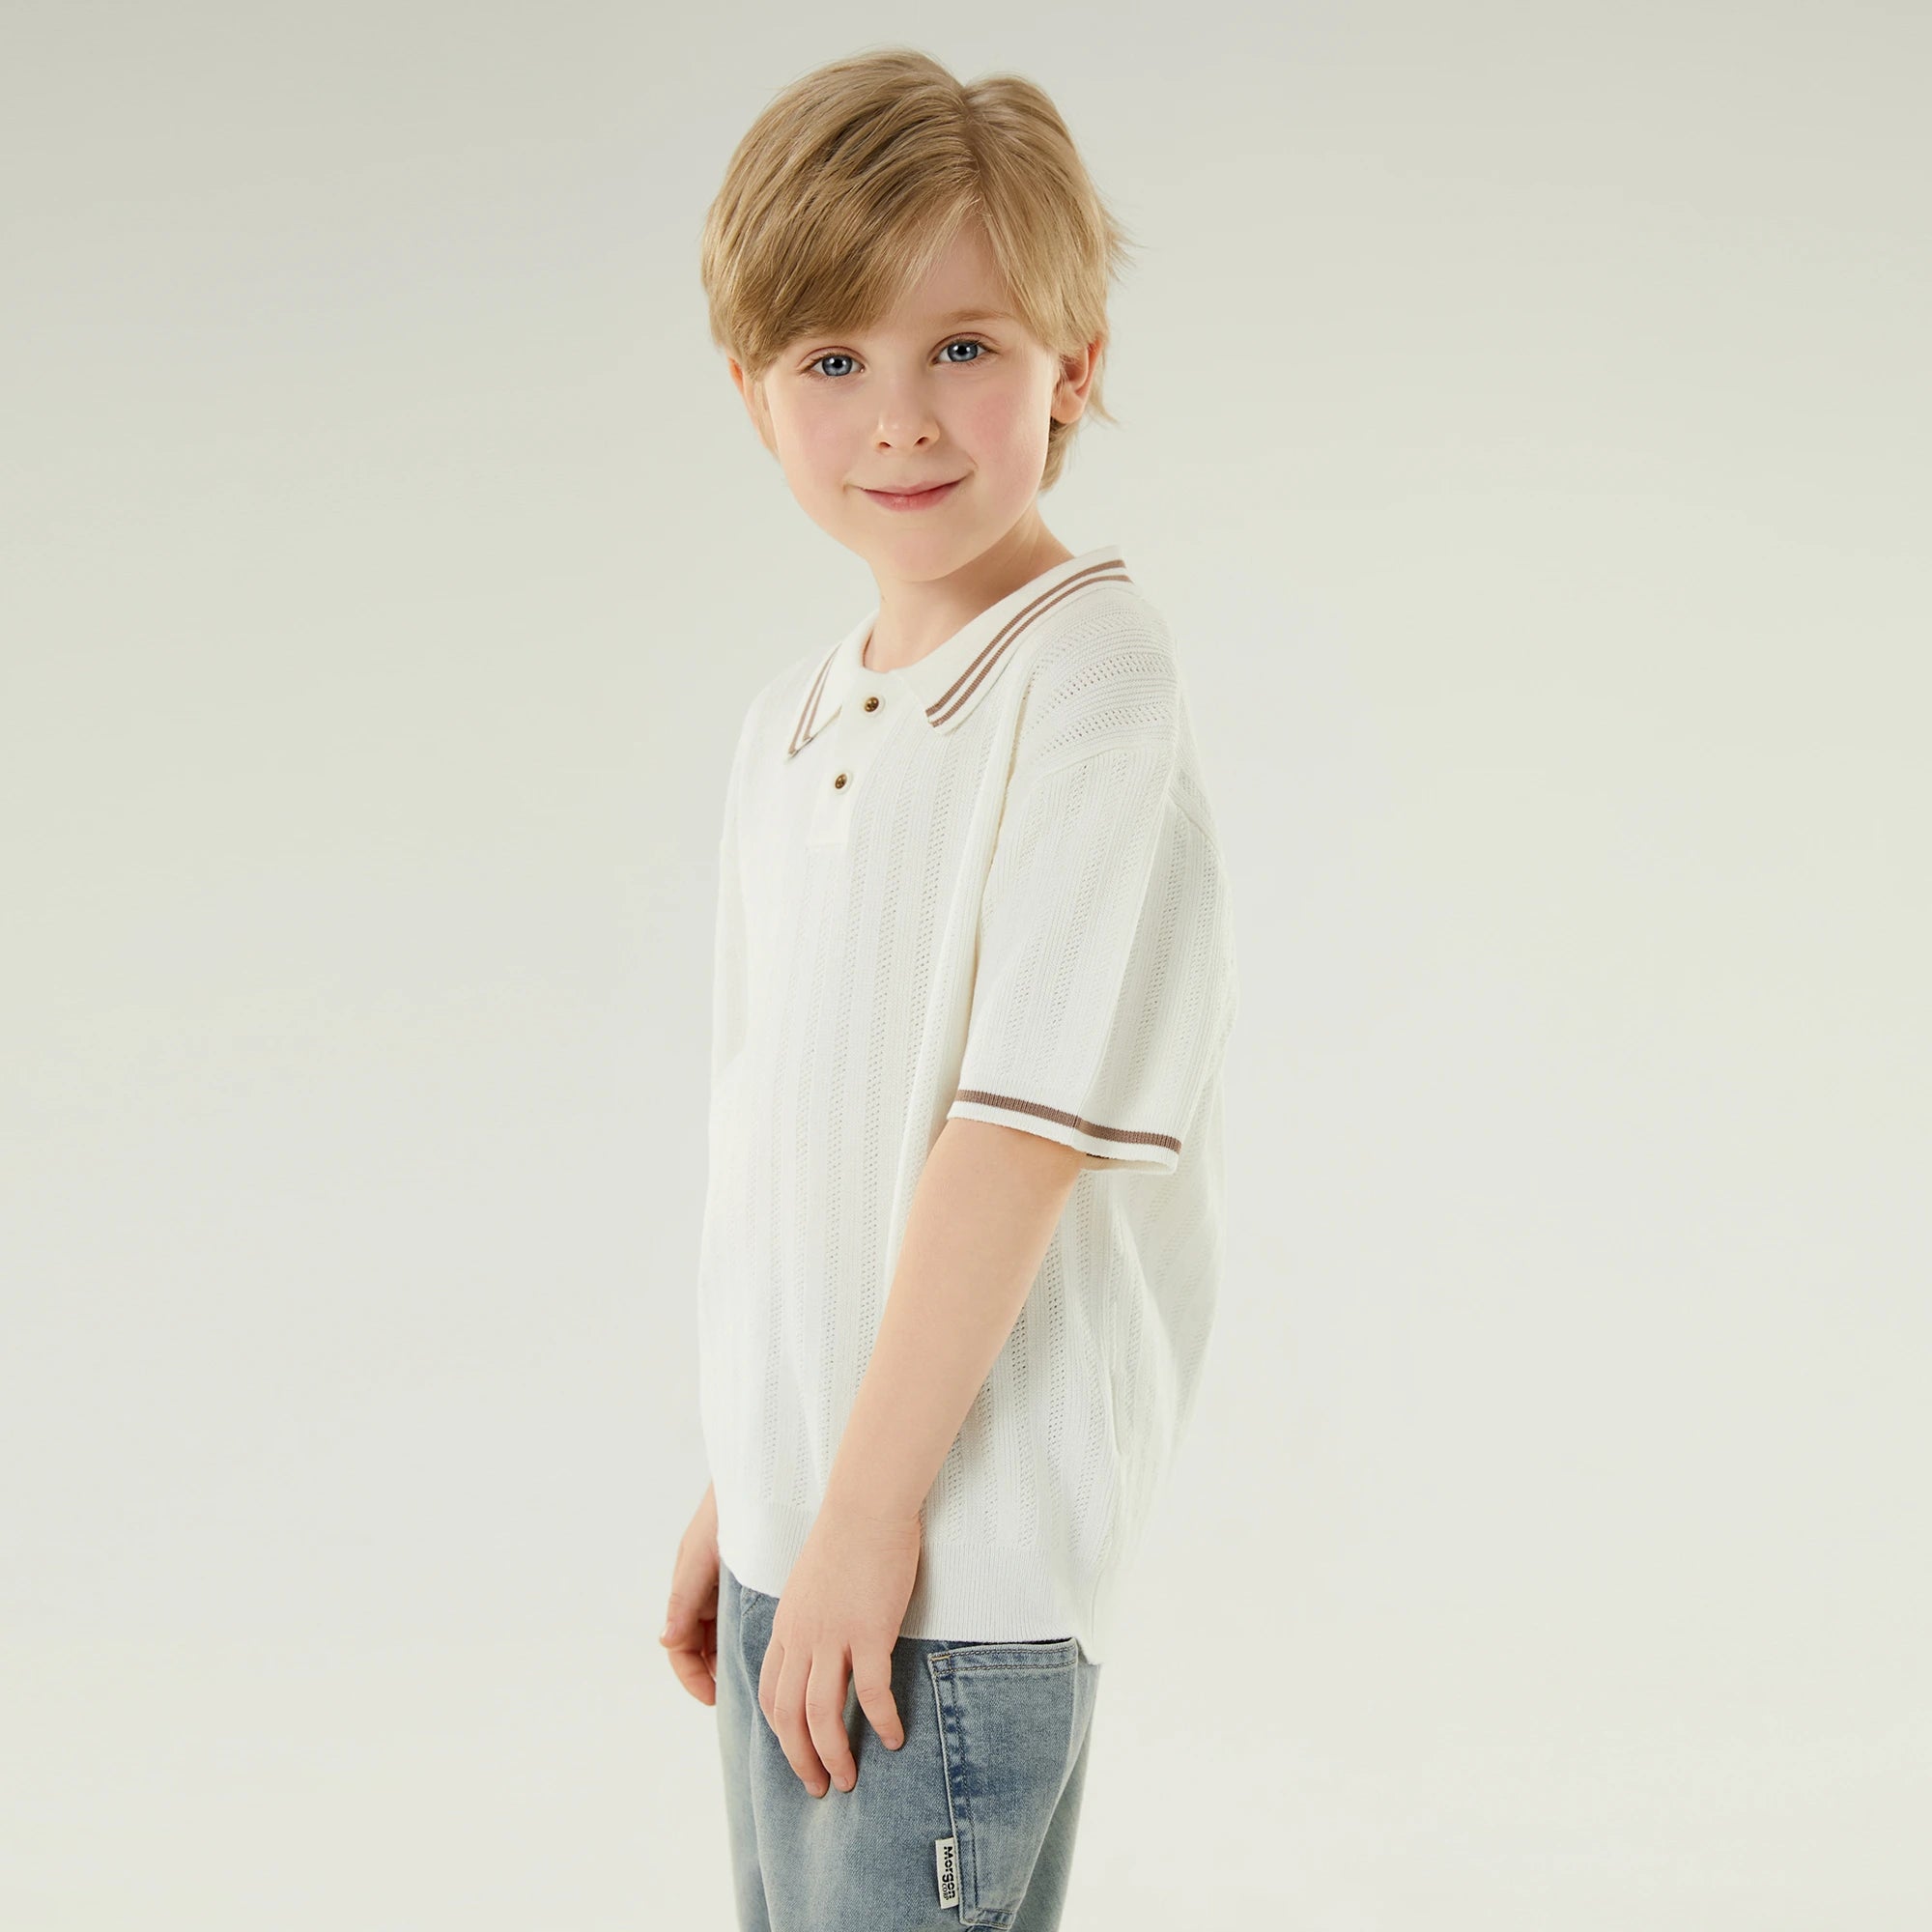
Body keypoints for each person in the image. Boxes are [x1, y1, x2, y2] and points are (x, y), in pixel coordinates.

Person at [659, 44, 1240, 1930]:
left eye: (963, 347)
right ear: (751, 392)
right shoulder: (791, 722)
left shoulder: (1086, 677)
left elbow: (1013, 1141)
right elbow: (793, 1162)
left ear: (1073, 368)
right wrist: (756, 1482)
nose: (899, 418)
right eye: (832, 358)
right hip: (822, 1535)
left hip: (948, 1575)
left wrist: (857, 1514)